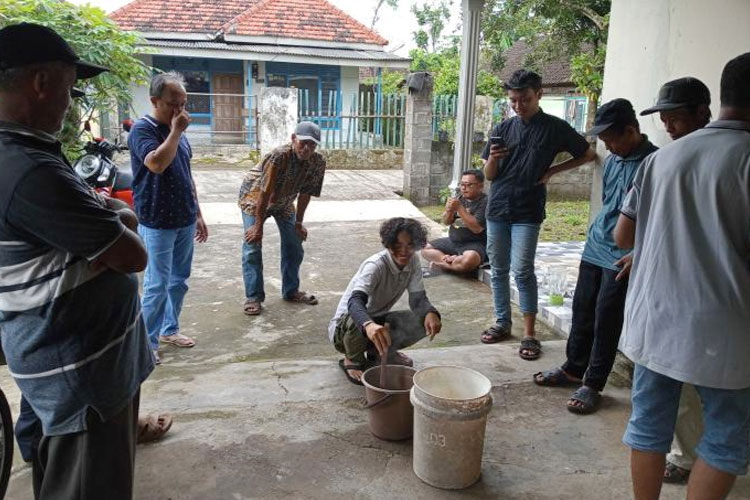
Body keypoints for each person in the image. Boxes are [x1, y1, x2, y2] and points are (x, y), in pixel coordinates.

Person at [0, 23, 154, 499]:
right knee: (89, 486)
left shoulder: (29, 152)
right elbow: (132, 255)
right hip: (81, 380)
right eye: (70, 88)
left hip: (74, 366)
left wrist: (108, 217)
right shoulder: (28, 170)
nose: (71, 103)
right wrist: (117, 215)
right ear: (41, 83)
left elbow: (109, 225)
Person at [614, 53, 750, 500]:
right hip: (723, 327)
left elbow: (624, 234)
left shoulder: (659, 161)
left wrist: (655, 250)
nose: (667, 125)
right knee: (728, 436)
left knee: (649, 423)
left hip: (655, 317)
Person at [533, 99, 657, 415]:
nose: (608, 148)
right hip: (595, 247)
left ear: (631, 130)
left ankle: (593, 383)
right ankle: (573, 368)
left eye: (612, 140)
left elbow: (661, 219)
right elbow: (609, 203)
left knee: (607, 317)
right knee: (583, 307)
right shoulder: (614, 160)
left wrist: (639, 253)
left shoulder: (655, 164)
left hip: (624, 255)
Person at [480, 69, 597, 358]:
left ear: (539, 94)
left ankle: (530, 334)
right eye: (513, 100)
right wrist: (493, 159)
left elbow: (588, 154)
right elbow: (489, 174)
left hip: (528, 209)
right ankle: (502, 322)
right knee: (498, 269)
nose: (519, 106)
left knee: (522, 270)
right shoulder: (502, 129)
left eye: (525, 99)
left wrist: (552, 171)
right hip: (498, 207)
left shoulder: (556, 127)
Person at [635, 76, 712, 484]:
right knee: (678, 396)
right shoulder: (663, 162)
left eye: (675, 119)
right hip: (675, 303)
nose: (668, 127)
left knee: (707, 407)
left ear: (704, 112)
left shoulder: (661, 163)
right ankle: (684, 457)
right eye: (664, 119)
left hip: (704, 302)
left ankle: (690, 457)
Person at [128, 72, 209, 362]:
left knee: (179, 281)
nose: (180, 110)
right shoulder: (143, 130)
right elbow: (157, 164)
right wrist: (176, 132)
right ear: (154, 101)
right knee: (156, 283)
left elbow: (186, 174)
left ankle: (169, 329)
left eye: (184, 103)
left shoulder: (180, 133)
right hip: (156, 220)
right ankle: (147, 344)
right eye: (173, 103)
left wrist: (197, 213)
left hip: (184, 217)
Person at [329, 218, 442, 385]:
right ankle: (352, 359)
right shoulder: (375, 265)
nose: (404, 251)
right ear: (388, 244)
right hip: (345, 330)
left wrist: (430, 312)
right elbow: (354, 302)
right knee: (358, 317)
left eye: (410, 245)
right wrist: (369, 325)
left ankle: (380, 351)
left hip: (377, 323)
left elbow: (417, 299)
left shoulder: (413, 261)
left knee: (422, 320)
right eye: (397, 245)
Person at [238, 121, 326, 315]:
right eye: (303, 142)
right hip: (254, 199)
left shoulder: (317, 162)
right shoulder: (279, 157)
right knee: (252, 246)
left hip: (284, 201)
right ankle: (253, 297)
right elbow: (264, 193)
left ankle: (291, 290)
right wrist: (258, 227)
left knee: (294, 243)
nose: (307, 148)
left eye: (312, 145)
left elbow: (305, 193)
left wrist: (299, 223)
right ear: (294, 139)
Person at [421, 169, 488, 274]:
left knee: (469, 259)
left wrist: (460, 208)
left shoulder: (485, 202)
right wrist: (449, 211)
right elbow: (446, 222)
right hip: (453, 241)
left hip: (473, 244)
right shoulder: (459, 198)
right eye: (462, 184)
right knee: (425, 248)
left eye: (469, 185)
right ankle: (448, 260)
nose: (464, 188)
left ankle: (446, 267)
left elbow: (477, 228)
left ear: (480, 186)